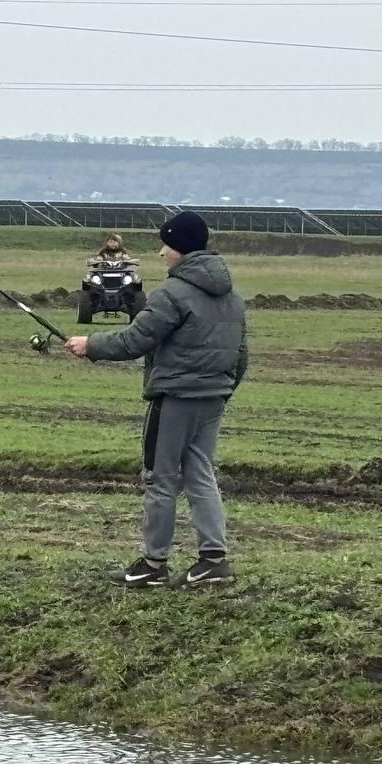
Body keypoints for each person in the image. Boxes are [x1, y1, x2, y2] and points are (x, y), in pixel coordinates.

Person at [64, 211, 248, 589]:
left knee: (159, 479)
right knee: (200, 475)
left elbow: (135, 339)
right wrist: (223, 389)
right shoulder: (232, 296)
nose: (161, 252)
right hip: (213, 398)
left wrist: (90, 345)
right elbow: (240, 355)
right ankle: (213, 561)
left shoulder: (171, 293)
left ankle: (153, 564)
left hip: (174, 399)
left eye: (165, 244)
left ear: (178, 248)